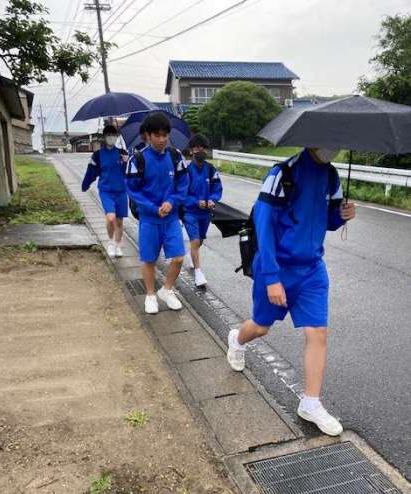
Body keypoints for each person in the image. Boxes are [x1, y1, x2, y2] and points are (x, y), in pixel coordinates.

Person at [227, 147, 356, 436]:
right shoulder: (283, 173)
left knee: (317, 332)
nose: (332, 147)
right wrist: (272, 277)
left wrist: (343, 215)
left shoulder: (331, 175)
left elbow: (329, 221)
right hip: (276, 267)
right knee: (260, 327)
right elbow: (263, 225)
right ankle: (237, 339)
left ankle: (310, 403)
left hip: (312, 269)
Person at [126, 112, 189, 314]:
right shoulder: (137, 159)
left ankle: (167, 290)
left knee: (178, 258)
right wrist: (154, 208)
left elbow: (183, 184)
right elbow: (133, 191)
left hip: (171, 218)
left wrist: (171, 202)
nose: (162, 139)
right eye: (157, 135)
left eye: (165, 135)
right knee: (149, 259)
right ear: (148, 135)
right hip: (149, 219)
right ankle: (150, 295)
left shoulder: (175, 156)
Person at [82, 125, 128, 258]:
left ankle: (118, 245)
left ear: (117, 137)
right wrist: (85, 185)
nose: (111, 138)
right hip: (106, 191)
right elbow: (91, 171)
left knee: (119, 221)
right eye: (108, 135)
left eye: (113, 135)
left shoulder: (123, 153)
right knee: (110, 217)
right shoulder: (98, 155)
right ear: (104, 137)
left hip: (121, 191)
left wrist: (125, 162)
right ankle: (111, 242)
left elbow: (129, 173)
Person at [183, 134, 222, 287]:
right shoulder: (186, 171)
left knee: (200, 241)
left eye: (204, 148)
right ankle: (199, 273)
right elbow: (182, 193)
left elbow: (217, 188)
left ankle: (191, 255)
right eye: (197, 147)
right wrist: (194, 202)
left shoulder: (211, 169)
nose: (201, 150)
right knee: (195, 240)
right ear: (191, 150)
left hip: (206, 213)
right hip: (190, 212)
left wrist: (212, 199)